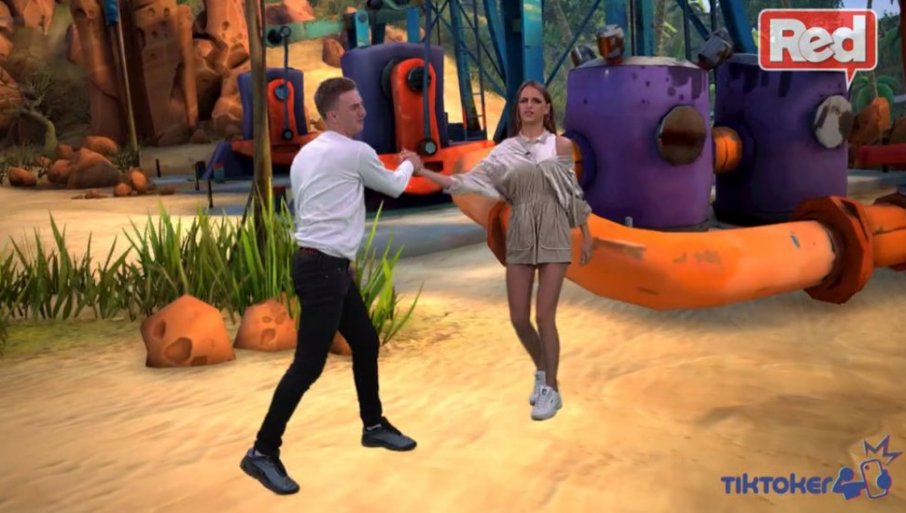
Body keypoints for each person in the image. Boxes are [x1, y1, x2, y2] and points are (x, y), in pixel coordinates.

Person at [241, 77, 422, 495]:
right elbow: (396, 185)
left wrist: (344, 263)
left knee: (365, 341)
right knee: (307, 366)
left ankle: (373, 425)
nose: (363, 111)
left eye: (362, 104)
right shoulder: (354, 152)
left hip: (323, 265)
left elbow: (317, 209)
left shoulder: (307, 153)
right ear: (332, 114)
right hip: (323, 270)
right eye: (354, 107)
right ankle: (262, 451)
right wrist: (410, 161)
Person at [415, 80, 593, 421]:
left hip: (554, 229)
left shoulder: (560, 145)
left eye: (535, 100)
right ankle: (542, 370)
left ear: (546, 108)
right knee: (518, 319)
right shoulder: (504, 151)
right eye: (523, 100)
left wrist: (585, 233)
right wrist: (423, 171)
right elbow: (465, 182)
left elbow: (571, 191)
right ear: (518, 108)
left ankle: (551, 390)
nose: (529, 106)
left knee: (544, 316)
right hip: (521, 229)